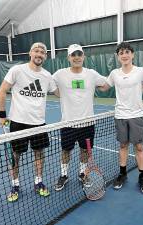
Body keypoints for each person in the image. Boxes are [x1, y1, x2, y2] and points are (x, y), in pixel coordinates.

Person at [100, 42, 143, 194]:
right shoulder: (114, 74)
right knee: (123, 145)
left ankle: (142, 177)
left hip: (136, 115)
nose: (124, 55)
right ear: (118, 57)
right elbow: (104, 87)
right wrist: (86, 82)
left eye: (127, 52)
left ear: (132, 54)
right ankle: (122, 174)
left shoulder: (141, 71)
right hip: (120, 115)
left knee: (139, 147)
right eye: (121, 52)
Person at [0, 42, 58, 202]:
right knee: (16, 156)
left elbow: (59, 92)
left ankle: (38, 182)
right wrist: (2, 114)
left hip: (39, 123)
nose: (39, 54)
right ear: (30, 53)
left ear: (45, 56)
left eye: (42, 52)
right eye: (36, 51)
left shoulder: (47, 75)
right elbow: (3, 90)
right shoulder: (17, 70)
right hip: (18, 122)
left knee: (39, 153)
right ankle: (15, 185)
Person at [52, 44, 107, 191]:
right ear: (68, 58)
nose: (76, 57)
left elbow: (106, 84)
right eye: (73, 55)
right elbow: (47, 84)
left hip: (88, 123)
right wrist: (60, 93)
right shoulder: (59, 74)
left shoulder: (92, 74)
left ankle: (82, 173)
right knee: (65, 151)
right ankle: (64, 175)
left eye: (79, 54)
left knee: (85, 150)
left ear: (83, 56)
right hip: (67, 124)